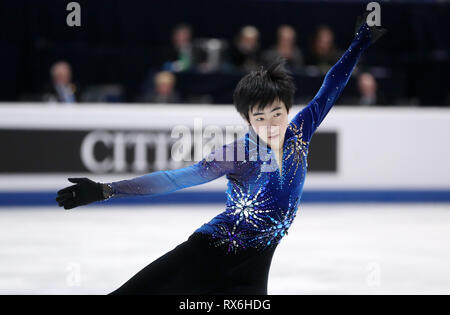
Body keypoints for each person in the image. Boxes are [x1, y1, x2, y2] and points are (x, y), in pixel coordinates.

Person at [55, 13, 386, 295]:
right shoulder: (238, 153)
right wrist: (106, 190)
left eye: (277, 113)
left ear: (288, 109)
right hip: (206, 254)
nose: (271, 124)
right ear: (246, 119)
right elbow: (174, 179)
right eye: (260, 117)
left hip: (254, 269)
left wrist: (358, 44)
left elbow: (331, 86)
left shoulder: (301, 129)